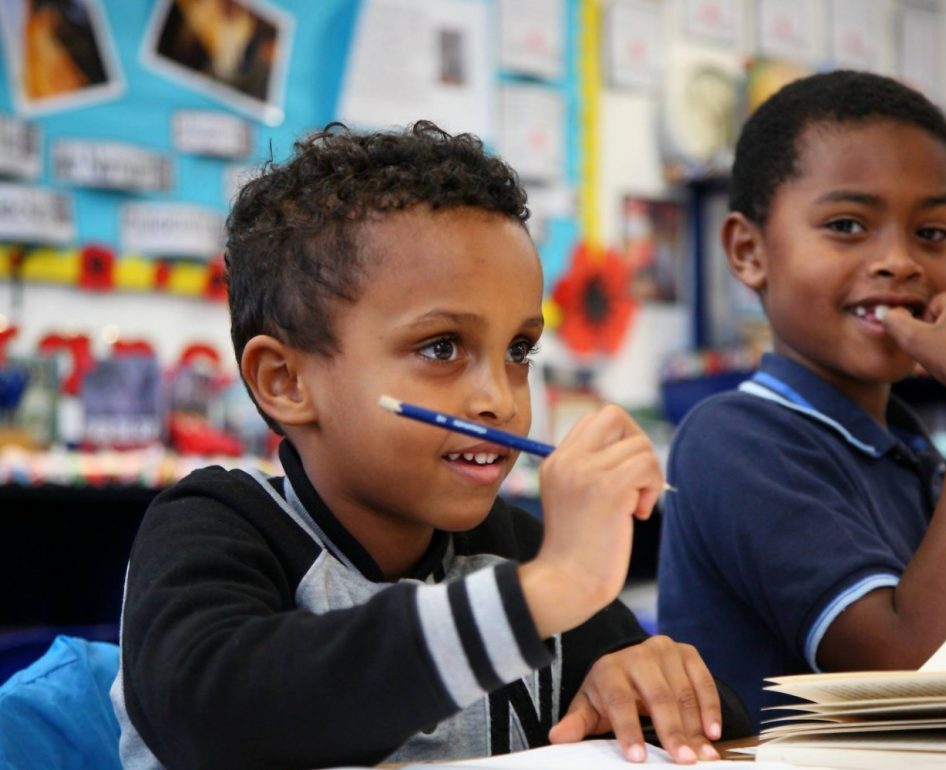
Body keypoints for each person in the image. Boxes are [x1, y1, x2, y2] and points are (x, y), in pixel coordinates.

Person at [111, 121, 750, 768]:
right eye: (441, 347)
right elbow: (212, 713)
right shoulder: (217, 527)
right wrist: (548, 592)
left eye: (519, 350)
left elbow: (721, 725)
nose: (499, 398)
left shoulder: (509, 552)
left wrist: (654, 688)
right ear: (286, 382)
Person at [656, 70, 946, 729]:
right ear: (749, 252)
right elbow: (930, 688)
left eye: (933, 232)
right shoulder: (732, 439)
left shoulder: (909, 446)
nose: (900, 261)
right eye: (846, 224)